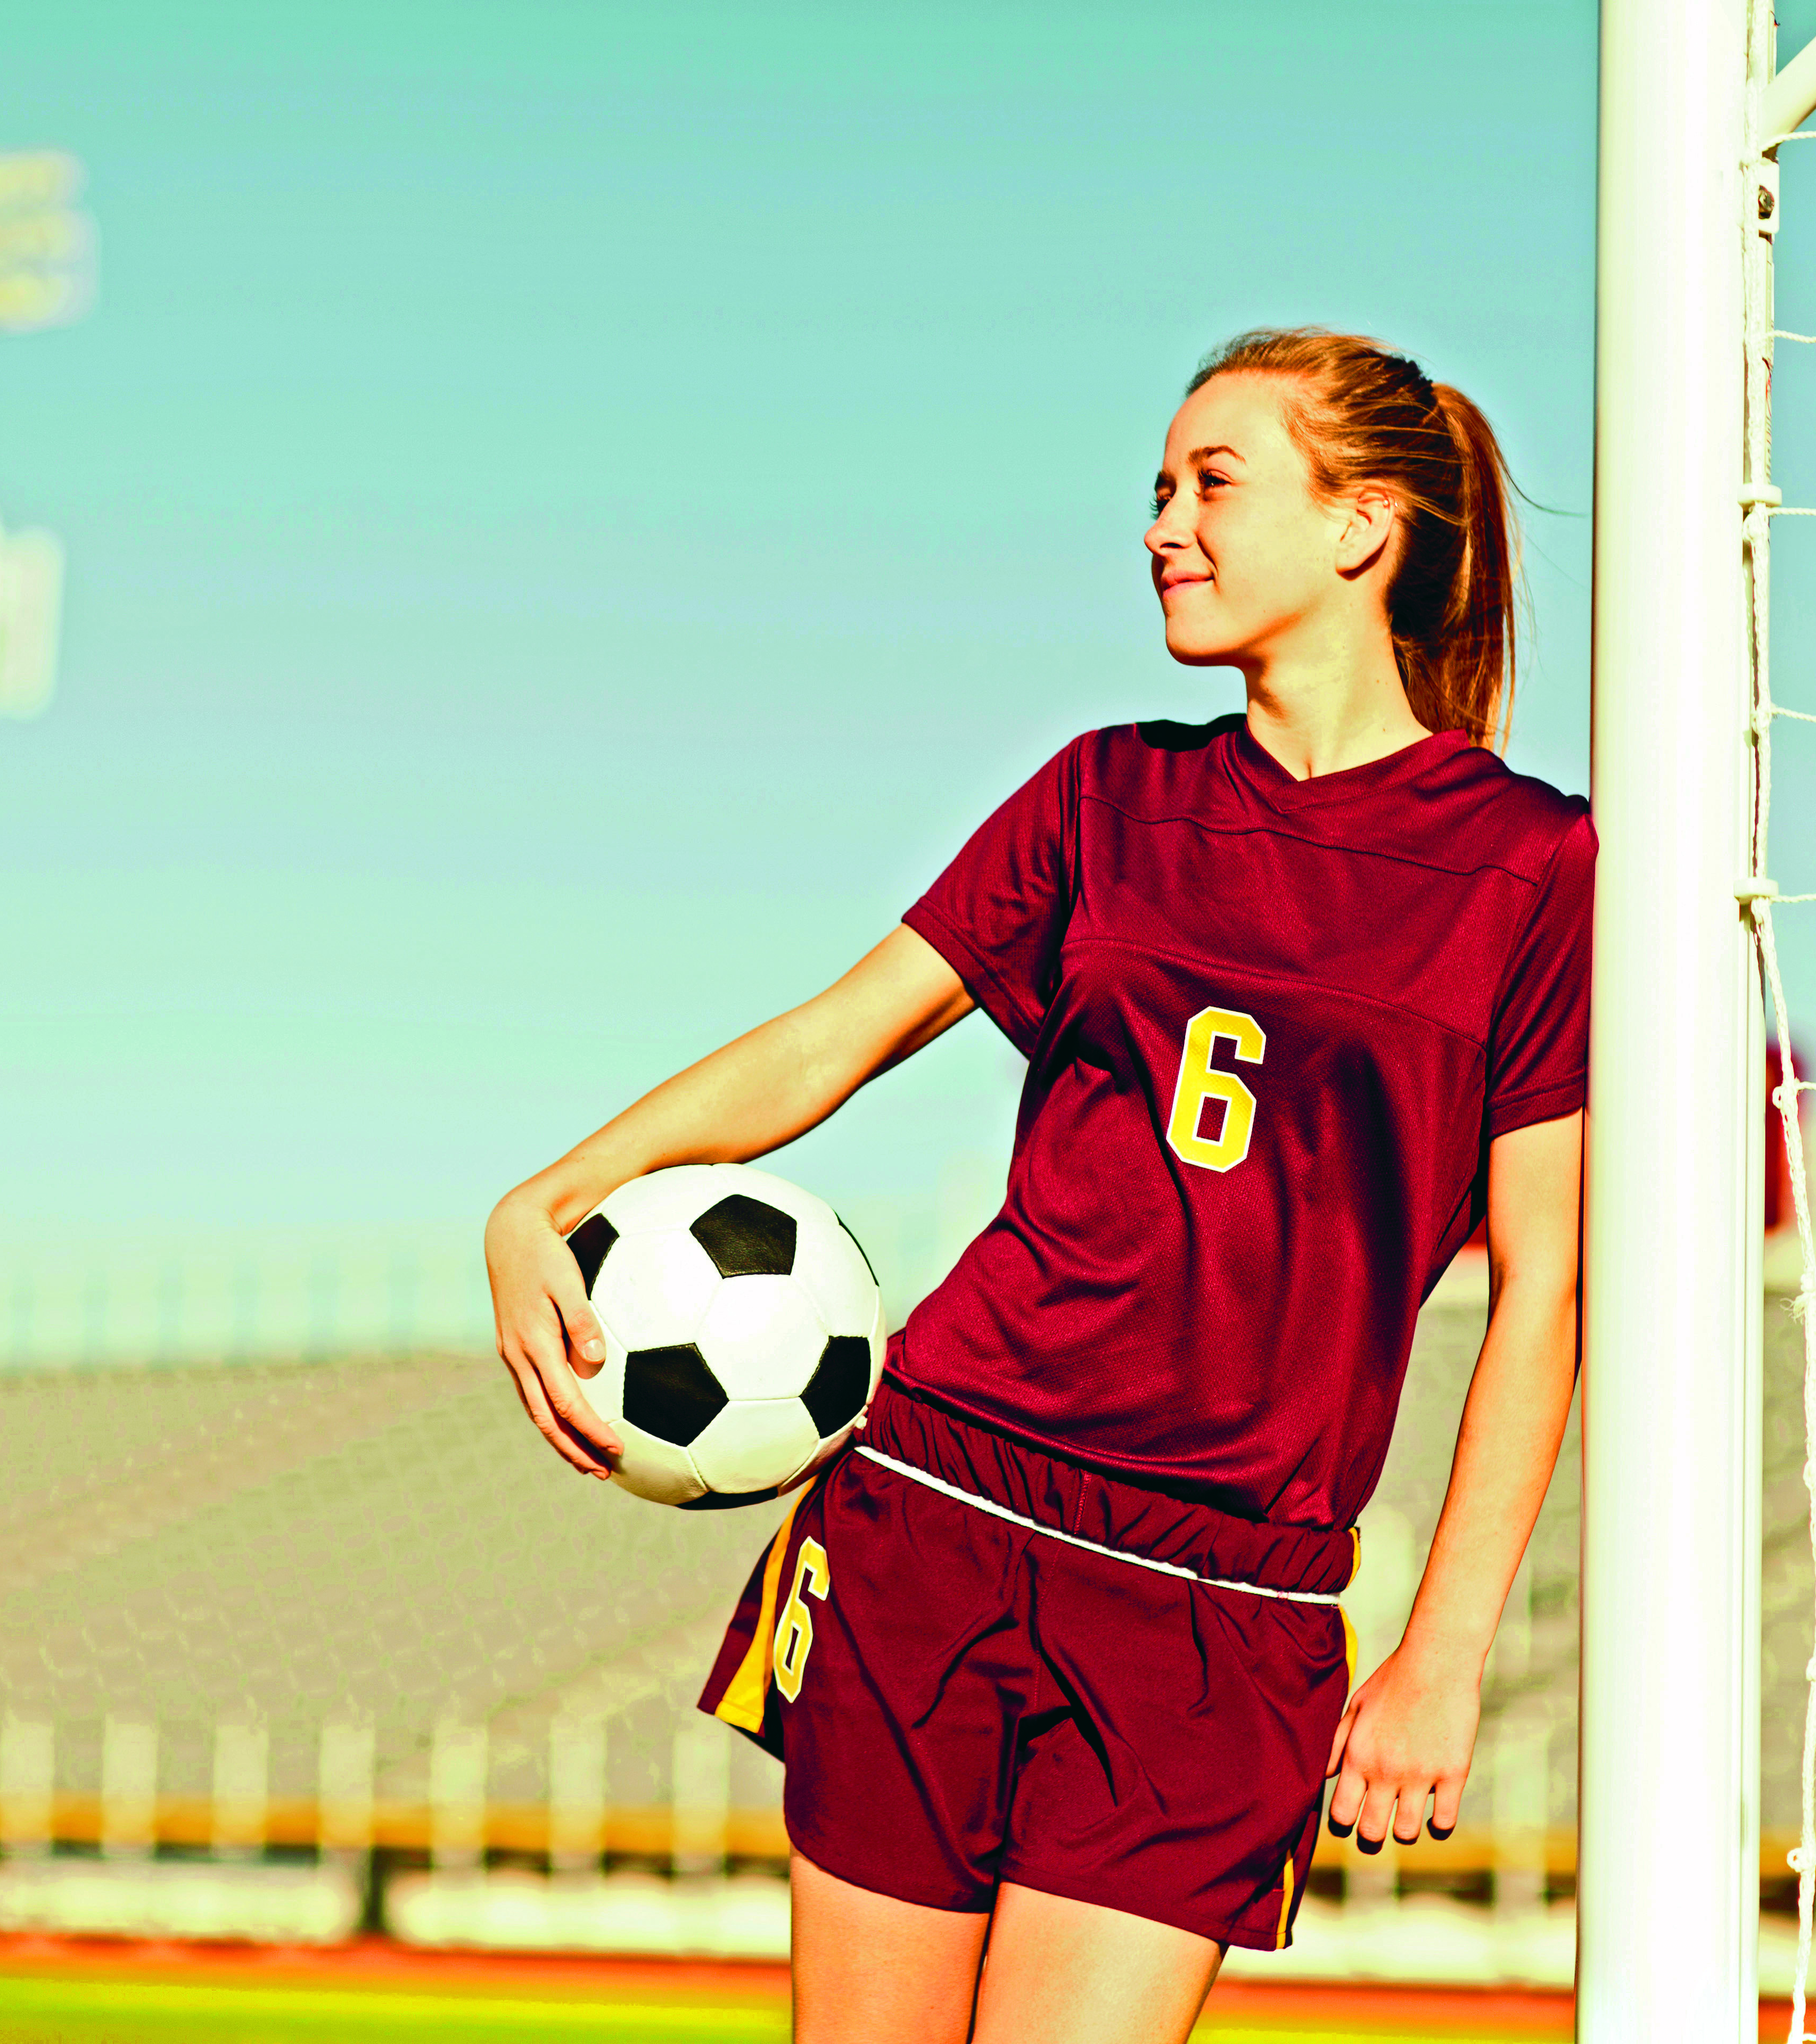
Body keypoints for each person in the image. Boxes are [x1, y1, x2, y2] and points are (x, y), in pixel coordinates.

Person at [484, 328, 1590, 2043]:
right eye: (1158, 489)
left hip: (1231, 1600)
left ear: (1363, 526)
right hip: (943, 1510)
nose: (1165, 522)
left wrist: (1441, 1650)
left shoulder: (1531, 866)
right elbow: (829, 1041)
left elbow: (1545, 1292)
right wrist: (539, 1201)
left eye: (1215, 483)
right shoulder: (1106, 795)